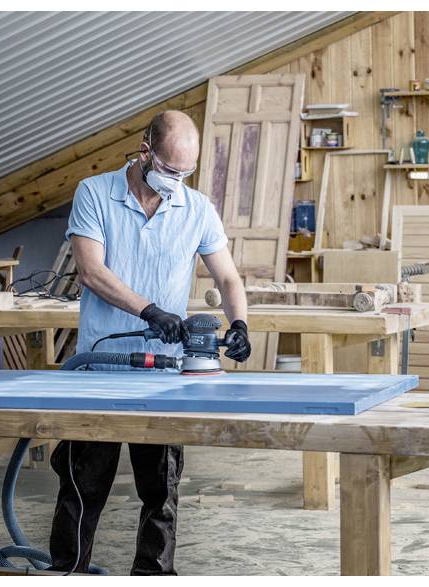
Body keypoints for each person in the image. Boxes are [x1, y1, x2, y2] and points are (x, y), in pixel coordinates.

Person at [49, 110, 250, 575]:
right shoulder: (95, 193)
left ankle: (154, 576)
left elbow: (229, 276)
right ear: (145, 152)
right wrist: (150, 310)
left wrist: (239, 323)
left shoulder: (196, 208)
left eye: (186, 173)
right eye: (169, 170)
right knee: (82, 486)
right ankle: (66, 574)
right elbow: (91, 271)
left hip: (165, 374)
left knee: (161, 490)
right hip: (100, 369)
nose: (176, 181)